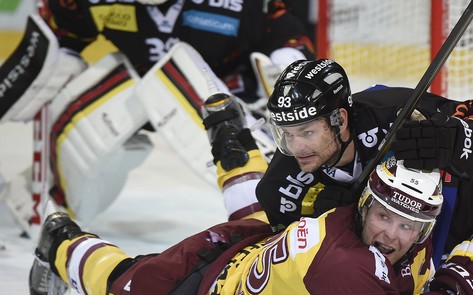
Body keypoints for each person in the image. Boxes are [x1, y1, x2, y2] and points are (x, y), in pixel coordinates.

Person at [206, 58, 473, 295]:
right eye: (285, 133)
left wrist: (452, 141)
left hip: (466, 207)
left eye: (306, 131)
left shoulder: (393, 112)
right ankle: (232, 145)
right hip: (407, 245)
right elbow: (294, 269)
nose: (295, 147)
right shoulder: (280, 188)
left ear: (341, 120)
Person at [28, 160, 473, 295]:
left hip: (261, 246)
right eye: (384, 216)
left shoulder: (363, 229)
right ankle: (62, 241)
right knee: (118, 287)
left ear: (424, 230)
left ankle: (232, 145)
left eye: (407, 226)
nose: (391, 234)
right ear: (366, 207)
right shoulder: (343, 268)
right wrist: (463, 282)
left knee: (259, 211)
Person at [0, 0, 314, 231]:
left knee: (181, 68)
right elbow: (64, 34)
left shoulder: (240, 6)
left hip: (230, 102)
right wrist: (54, 60)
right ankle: (41, 193)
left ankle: (276, 205)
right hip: (136, 95)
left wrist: (288, 63)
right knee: (100, 94)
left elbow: (285, 32)